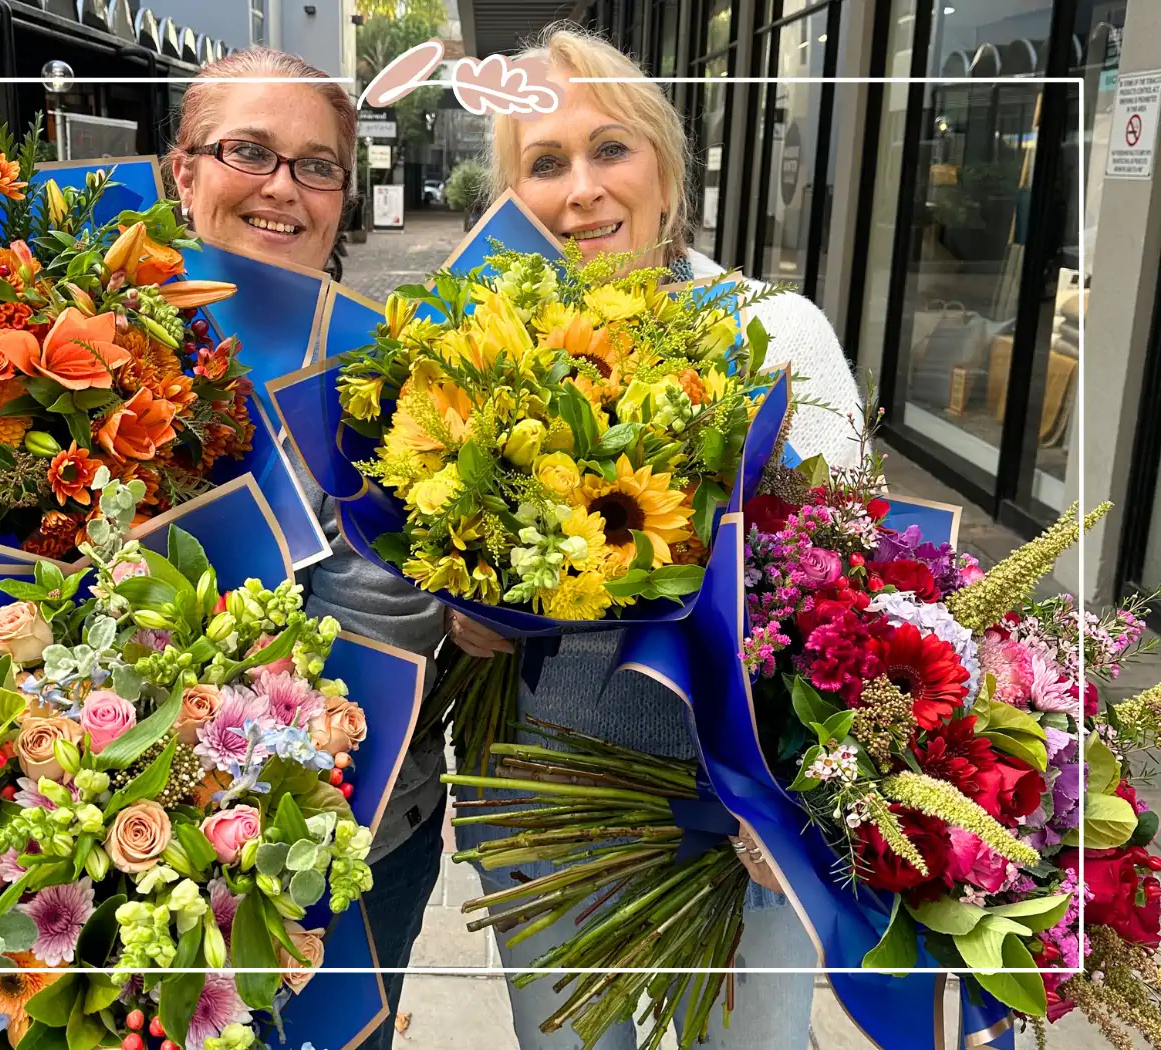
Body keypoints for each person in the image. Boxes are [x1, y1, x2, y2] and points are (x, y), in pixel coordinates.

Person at [445, 25, 866, 1050]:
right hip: (538, 791)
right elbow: (426, 532)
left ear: (664, 169)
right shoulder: (469, 348)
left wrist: (808, 796)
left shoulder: (776, 330)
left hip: (728, 813)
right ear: (512, 195)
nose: (580, 188)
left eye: (609, 149)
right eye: (544, 163)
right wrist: (458, 601)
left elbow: (852, 588)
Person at [167, 49, 447, 1050]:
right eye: (250, 151)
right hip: (113, 817)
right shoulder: (81, 357)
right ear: (182, 172)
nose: (284, 187)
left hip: (369, 831)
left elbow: (414, 616)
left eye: (316, 165)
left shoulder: (403, 373)